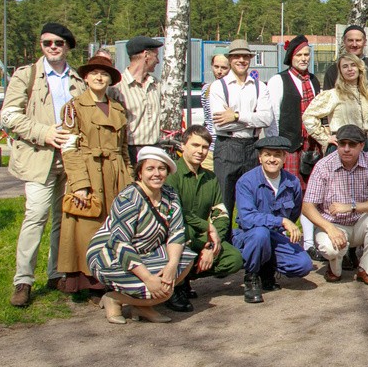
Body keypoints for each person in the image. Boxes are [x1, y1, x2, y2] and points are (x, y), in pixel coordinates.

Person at [1, 22, 85, 308]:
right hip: (39, 157)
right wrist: (44, 132)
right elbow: (9, 116)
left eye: (58, 43)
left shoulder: (78, 79)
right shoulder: (27, 75)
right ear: (41, 45)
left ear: (67, 47)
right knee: (35, 216)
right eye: (47, 42)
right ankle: (23, 280)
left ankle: (56, 273)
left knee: (64, 219)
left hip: (70, 160)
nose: (52, 47)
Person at [87, 147, 194, 325]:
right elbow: (120, 243)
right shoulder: (128, 198)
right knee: (159, 290)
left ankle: (141, 306)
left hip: (146, 251)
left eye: (161, 168)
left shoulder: (170, 195)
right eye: (150, 169)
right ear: (140, 172)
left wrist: (171, 266)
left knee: (184, 260)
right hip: (109, 255)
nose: (156, 174)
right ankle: (114, 298)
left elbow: (176, 232)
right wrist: (148, 278)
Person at [58, 54, 134, 299]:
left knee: (115, 229)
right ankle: (88, 284)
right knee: (88, 228)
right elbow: (69, 149)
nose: (99, 77)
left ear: (110, 79)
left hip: (116, 174)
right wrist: (80, 183)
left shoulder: (118, 108)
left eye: (104, 74)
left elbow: (123, 149)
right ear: (86, 78)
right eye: (94, 73)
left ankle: (113, 281)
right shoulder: (73, 107)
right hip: (88, 173)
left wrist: (130, 180)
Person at [161, 125, 244, 312]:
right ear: (183, 146)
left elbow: (221, 213)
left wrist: (211, 244)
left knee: (234, 258)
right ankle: (174, 286)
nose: (200, 151)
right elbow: (177, 212)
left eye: (205, 147)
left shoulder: (210, 177)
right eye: (195, 145)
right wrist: (207, 227)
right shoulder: (171, 176)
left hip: (201, 238)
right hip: (176, 236)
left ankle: (186, 278)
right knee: (185, 236)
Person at [301, 124, 368, 286]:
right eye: (342, 144)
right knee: (331, 249)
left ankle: (366, 269)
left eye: (352, 144)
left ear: (362, 145)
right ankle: (334, 267)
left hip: (359, 224)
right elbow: (307, 206)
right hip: (332, 224)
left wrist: (351, 206)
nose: (346, 149)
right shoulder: (324, 165)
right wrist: (330, 228)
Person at [233, 136, 312, 303]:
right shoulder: (246, 182)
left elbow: (294, 212)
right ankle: (252, 276)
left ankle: (267, 269)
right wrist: (281, 222)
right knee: (260, 234)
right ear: (259, 157)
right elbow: (247, 218)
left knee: (303, 264)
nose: (272, 159)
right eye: (267, 154)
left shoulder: (292, 182)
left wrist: (284, 225)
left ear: (284, 158)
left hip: (276, 236)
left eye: (277, 155)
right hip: (250, 235)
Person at [210, 38, 274, 217]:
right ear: (230, 59)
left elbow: (266, 118)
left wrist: (236, 115)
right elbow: (221, 122)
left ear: (250, 59)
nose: (241, 60)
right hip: (227, 146)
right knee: (224, 202)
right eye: (237, 56)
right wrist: (253, 117)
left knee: (254, 201)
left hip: (253, 146)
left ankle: (250, 242)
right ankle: (223, 242)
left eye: (245, 56)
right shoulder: (218, 87)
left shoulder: (260, 87)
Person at [266, 35, 322, 189]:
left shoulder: (313, 80)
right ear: (291, 57)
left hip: (311, 145)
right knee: (288, 188)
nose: (303, 59)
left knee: (311, 189)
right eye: (299, 55)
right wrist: (275, 145)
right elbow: (273, 115)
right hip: (289, 145)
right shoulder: (278, 80)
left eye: (306, 54)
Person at [304, 52, 368, 154]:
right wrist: (325, 138)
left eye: (353, 65)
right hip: (341, 146)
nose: (350, 69)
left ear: (359, 68)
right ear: (341, 71)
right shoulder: (333, 95)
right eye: (345, 66)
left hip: (363, 147)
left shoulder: (365, 95)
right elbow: (308, 116)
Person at [111, 35, 163, 164]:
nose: (158, 61)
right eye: (156, 56)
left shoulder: (156, 84)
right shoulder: (117, 87)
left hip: (154, 149)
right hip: (130, 152)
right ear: (146, 55)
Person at [324, 25, 368, 92]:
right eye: (350, 40)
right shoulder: (333, 71)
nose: (354, 44)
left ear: (365, 42)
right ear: (344, 42)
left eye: (358, 40)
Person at [202, 51, 230, 139]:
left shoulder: (234, 88)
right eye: (216, 67)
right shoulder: (206, 89)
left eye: (224, 68)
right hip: (210, 143)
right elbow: (207, 119)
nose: (219, 71)